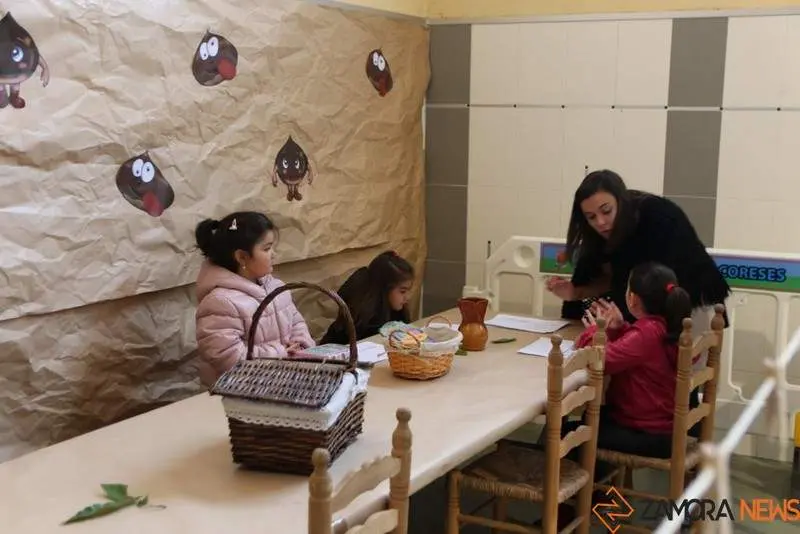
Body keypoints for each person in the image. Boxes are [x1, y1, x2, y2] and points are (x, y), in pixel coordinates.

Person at [551, 262, 697, 529]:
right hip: (664, 428)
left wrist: (595, 331)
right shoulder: (666, 327)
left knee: (571, 434)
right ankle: (598, 500)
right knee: (589, 421)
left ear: (632, 298)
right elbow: (636, 349)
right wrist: (618, 329)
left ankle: (570, 514)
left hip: (647, 434)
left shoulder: (646, 334)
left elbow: (598, 361)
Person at [547, 169, 730, 332]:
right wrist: (576, 293)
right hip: (650, 312)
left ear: (621, 201)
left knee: (673, 365)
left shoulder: (656, 219)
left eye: (607, 211)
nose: (600, 222)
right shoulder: (599, 235)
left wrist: (623, 322)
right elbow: (612, 279)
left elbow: (650, 285)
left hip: (688, 300)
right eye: (591, 217)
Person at [194, 211, 315, 387]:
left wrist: (301, 344)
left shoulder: (276, 287)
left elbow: (296, 323)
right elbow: (228, 357)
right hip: (240, 396)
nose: (273, 254)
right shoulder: (220, 302)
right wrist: (281, 352)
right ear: (242, 257)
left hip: (284, 384)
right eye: (266, 249)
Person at [320, 251, 414, 345]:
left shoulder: (397, 312)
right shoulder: (364, 320)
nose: (407, 297)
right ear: (384, 289)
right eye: (402, 291)